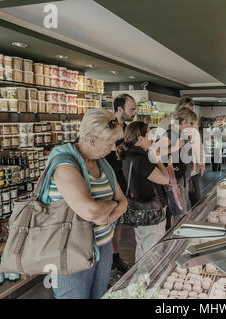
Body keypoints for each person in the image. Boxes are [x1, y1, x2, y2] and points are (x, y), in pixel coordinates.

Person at [37, 108, 128, 299]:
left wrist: (107, 214)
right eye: (110, 142)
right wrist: (110, 205)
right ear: (92, 139)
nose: (113, 148)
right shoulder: (64, 164)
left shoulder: (102, 164)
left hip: (103, 247)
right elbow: (93, 212)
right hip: (71, 252)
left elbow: (124, 202)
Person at [117, 121, 169, 261]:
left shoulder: (127, 156)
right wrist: (157, 160)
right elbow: (165, 179)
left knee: (142, 249)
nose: (150, 139)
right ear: (140, 139)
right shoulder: (141, 160)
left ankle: (140, 280)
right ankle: (149, 281)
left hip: (138, 210)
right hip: (151, 212)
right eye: (148, 135)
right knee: (153, 253)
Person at [105, 94, 137, 276]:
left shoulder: (127, 129)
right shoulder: (107, 128)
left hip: (121, 180)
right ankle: (107, 260)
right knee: (108, 221)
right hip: (108, 181)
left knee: (117, 222)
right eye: (131, 109)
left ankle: (115, 257)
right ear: (119, 110)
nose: (134, 112)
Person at [160, 107, 199, 226]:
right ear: (182, 121)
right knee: (180, 214)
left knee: (185, 211)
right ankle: (178, 241)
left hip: (182, 178)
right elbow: (156, 152)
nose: (192, 127)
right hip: (175, 180)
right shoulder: (170, 134)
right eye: (191, 124)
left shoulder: (181, 135)